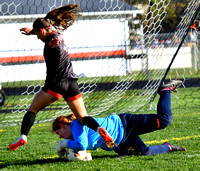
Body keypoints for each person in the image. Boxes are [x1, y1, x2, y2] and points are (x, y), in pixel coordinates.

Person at [7, 4, 114, 151]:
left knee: (33, 109)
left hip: (56, 84)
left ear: (43, 30)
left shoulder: (52, 41)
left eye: (38, 34)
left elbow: (52, 43)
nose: (38, 38)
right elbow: (49, 35)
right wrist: (32, 31)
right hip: (72, 82)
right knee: (82, 117)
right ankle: (100, 129)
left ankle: (23, 137)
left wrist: (52, 44)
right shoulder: (57, 33)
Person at [53, 80, 186, 158]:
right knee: (146, 152)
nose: (61, 138)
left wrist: (62, 145)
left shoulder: (76, 124)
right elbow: (82, 146)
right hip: (121, 141)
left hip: (125, 124)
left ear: (63, 125)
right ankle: (168, 147)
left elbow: (82, 144)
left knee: (164, 120)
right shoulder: (75, 136)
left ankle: (164, 90)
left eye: (59, 133)